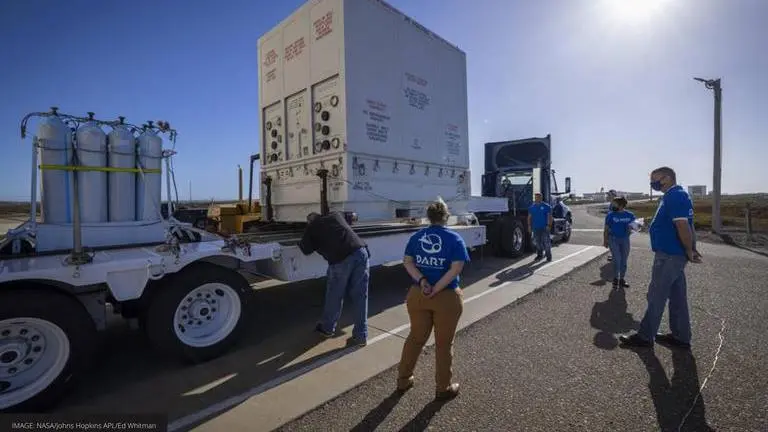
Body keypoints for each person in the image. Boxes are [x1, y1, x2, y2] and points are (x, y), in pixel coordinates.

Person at [619, 167, 702, 349]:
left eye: (656, 180)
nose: (653, 184)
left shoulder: (675, 196)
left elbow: (683, 226)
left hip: (670, 255)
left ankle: (645, 336)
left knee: (656, 295)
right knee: (677, 296)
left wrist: (690, 249)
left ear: (668, 178)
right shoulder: (672, 196)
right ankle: (681, 337)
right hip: (673, 254)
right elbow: (679, 223)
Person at [397, 198, 470, 400]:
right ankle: (443, 387)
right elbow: (456, 268)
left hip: (418, 294)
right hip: (446, 297)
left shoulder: (417, 237)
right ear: (446, 216)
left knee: (415, 338)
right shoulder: (454, 239)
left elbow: (408, 262)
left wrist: (422, 281)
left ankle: (403, 380)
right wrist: (437, 288)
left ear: (428, 217)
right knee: (443, 344)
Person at [298, 211, 370, 347]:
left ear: (309, 222)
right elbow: (352, 216)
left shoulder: (312, 227)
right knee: (361, 296)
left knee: (334, 296)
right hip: (361, 252)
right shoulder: (335, 215)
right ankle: (361, 336)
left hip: (340, 260)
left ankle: (327, 328)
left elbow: (305, 249)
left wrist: (305, 236)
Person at [603, 196, 636, 289]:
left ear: (621, 205)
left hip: (625, 239)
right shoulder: (610, 215)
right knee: (617, 259)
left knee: (624, 260)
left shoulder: (630, 215)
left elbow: (635, 227)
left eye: (614, 204)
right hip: (613, 239)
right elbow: (606, 229)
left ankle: (621, 279)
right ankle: (615, 279)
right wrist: (605, 240)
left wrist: (631, 229)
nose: (612, 205)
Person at [528, 192, 553, 262]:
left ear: (541, 198)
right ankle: (539, 255)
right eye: (535, 197)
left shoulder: (546, 206)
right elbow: (529, 218)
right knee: (537, 242)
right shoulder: (531, 207)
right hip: (535, 228)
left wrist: (549, 225)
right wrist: (529, 226)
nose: (537, 199)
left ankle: (549, 256)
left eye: (538, 197)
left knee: (546, 242)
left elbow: (550, 217)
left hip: (545, 227)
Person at [606, 189, 618, 262]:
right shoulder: (612, 203)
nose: (608, 196)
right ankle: (614, 255)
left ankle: (615, 256)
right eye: (608, 195)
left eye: (609, 195)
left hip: (614, 226)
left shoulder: (615, 204)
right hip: (612, 225)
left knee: (613, 242)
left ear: (613, 195)